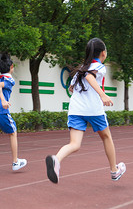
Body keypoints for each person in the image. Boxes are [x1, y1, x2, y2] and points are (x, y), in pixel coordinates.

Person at [45, 38, 126, 183]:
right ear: (103, 53)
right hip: (93, 109)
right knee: (106, 137)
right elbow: (90, 77)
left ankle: (56, 159)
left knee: (74, 144)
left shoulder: (81, 68)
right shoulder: (99, 67)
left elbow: (73, 86)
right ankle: (114, 170)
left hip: (76, 110)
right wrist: (102, 95)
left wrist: (72, 87)